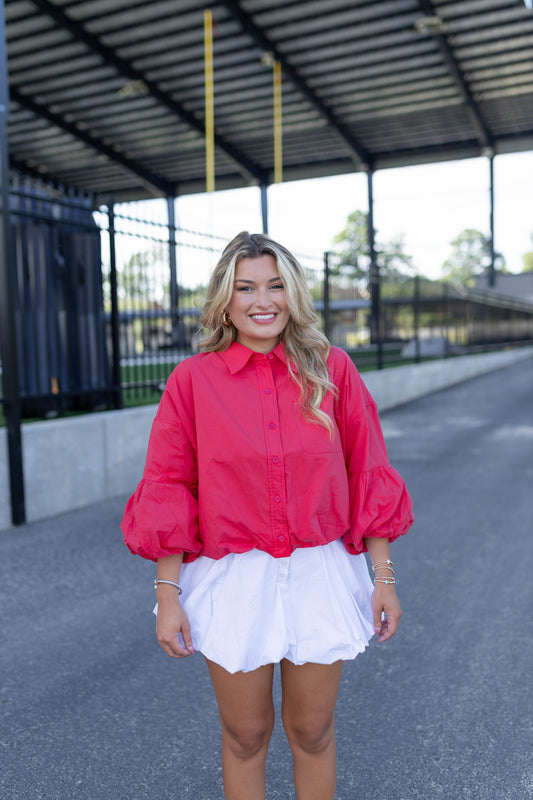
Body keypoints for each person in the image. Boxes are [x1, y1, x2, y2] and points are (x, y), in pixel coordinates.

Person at [121, 231, 414, 800]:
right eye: (247, 287)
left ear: (293, 293)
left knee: (311, 730)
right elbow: (168, 487)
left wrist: (384, 580)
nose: (264, 300)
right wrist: (167, 597)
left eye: (277, 285)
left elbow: (368, 472)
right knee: (246, 734)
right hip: (233, 577)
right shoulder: (192, 382)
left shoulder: (334, 371)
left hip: (318, 570)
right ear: (224, 300)